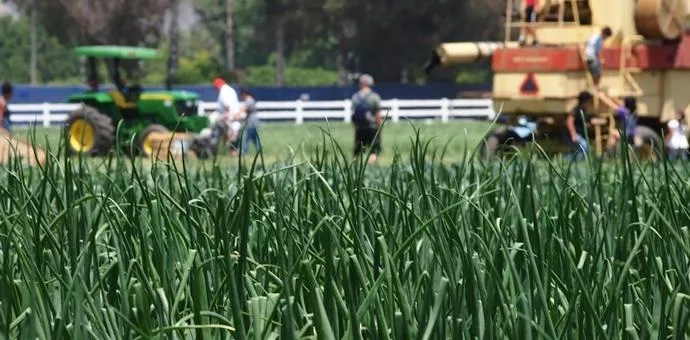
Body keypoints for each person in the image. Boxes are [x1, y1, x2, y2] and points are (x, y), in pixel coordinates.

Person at [351, 74, 383, 164]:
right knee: (373, 150)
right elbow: (377, 114)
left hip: (360, 127)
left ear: (363, 83)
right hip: (372, 127)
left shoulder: (355, 97)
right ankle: (370, 167)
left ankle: (353, 167)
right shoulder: (375, 97)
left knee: (357, 151)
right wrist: (379, 127)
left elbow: (353, 113)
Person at [213, 77, 241, 153]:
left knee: (220, 134)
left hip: (228, 117)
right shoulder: (231, 90)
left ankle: (220, 150)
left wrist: (225, 117)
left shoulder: (224, 91)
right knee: (234, 134)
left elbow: (227, 105)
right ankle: (232, 150)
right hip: (234, 116)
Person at [566, 90, 594, 161]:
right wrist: (573, 135)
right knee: (585, 148)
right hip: (576, 135)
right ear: (585, 101)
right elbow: (569, 121)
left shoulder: (583, 110)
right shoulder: (577, 110)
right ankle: (567, 159)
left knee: (582, 151)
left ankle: (572, 160)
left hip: (580, 134)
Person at [237, 88, 261, 156]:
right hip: (253, 122)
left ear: (244, 94)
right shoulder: (251, 100)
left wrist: (235, 115)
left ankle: (243, 152)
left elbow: (243, 109)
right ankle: (259, 151)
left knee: (246, 138)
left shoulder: (249, 100)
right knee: (255, 139)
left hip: (251, 122)